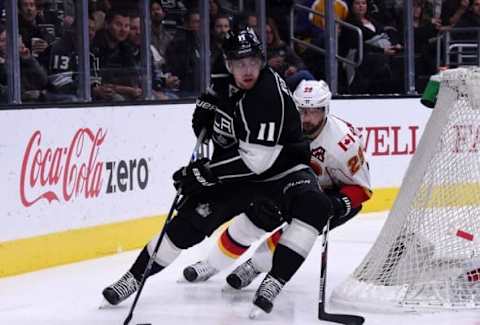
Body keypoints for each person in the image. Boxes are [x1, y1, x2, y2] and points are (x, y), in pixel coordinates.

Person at [101, 28, 334, 316]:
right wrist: (203, 120)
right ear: (227, 64)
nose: (247, 70)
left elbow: (257, 163)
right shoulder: (221, 78)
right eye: (239, 64)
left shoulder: (267, 95)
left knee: (315, 205)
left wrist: (205, 173)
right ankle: (133, 278)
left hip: (282, 171)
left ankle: (274, 281)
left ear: (262, 61)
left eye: (252, 62)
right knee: (188, 224)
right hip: (238, 173)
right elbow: (211, 115)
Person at [181, 80, 372, 292]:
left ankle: (255, 266)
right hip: (291, 183)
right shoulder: (282, 125)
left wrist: (335, 204)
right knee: (255, 218)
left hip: (331, 194)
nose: (306, 119)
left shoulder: (343, 143)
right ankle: (211, 264)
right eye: (302, 111)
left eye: (313, 112)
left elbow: (362, 189)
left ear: (325, 109)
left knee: (296, 231)